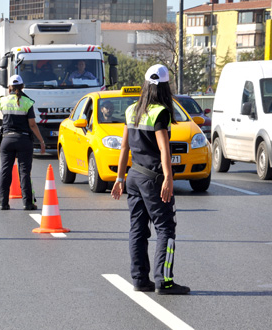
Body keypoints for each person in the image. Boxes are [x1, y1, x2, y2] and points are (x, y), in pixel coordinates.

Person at [111, 64, 190, 295]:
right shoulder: (161, 113)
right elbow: (165, 151)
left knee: (137, 229)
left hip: (134, 176)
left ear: (145, 85)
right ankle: (164, 282)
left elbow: (124, 147)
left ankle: (139, 280)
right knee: (166, 229)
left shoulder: (132, 110)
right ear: (165, 88)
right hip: (153, 178)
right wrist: (168, 178)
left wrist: (119, 178)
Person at [0, 75, 46, 211]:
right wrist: (41, 141)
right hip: (23, 140)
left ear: (10, 87)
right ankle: (28, 203)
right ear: (23, 86)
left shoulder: (3, 101)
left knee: (5, 170)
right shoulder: (27, 102)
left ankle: (3, 202)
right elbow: (32, 125)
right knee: (24, 172)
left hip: (7, 140)